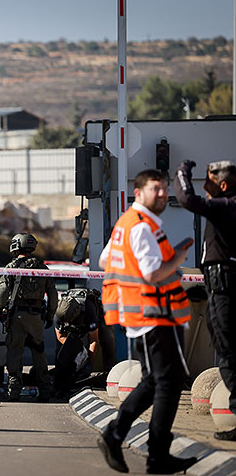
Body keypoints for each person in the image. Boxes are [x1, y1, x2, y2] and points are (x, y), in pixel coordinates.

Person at [97, 169, 197, 474]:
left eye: (166, 189)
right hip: (156, 317)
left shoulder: (126, 224)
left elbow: (105, 261)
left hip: (142, 317)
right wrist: (179, 256)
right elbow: (152, 273)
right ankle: (154, 454)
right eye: (157, 189)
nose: (164, 194)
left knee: (155, 381)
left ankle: (118, 436)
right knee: (168, 384)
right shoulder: (141, 227)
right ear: (138, 192)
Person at [174, 159, 236, 441]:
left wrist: (182, 171)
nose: (205, 188)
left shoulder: (227, 206)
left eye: (208, 181)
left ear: (223, 185)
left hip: (225, 287)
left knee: (229, 354)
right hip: (218, 285)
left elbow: (187, 198)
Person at [0, 233, 58, 402]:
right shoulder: (43, 268)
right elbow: (53, 295)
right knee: (39, 352)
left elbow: (1, 293)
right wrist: (50, 315)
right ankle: (45, 390)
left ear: (15, 246)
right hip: (37, 317)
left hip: (17, 317)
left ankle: (14, 391)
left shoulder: (11, 267)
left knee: (15, 351)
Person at [52, 288, 100, 398]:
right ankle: (60, 384)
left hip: (88, 322)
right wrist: (75, 350)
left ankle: (109, 374)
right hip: (71, 330)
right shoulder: (58, 315)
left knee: (108, 340)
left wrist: (89, 364)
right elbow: (60, 337)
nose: (67, 323)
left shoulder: (89, 311)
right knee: (62, 354)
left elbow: (94, 340)